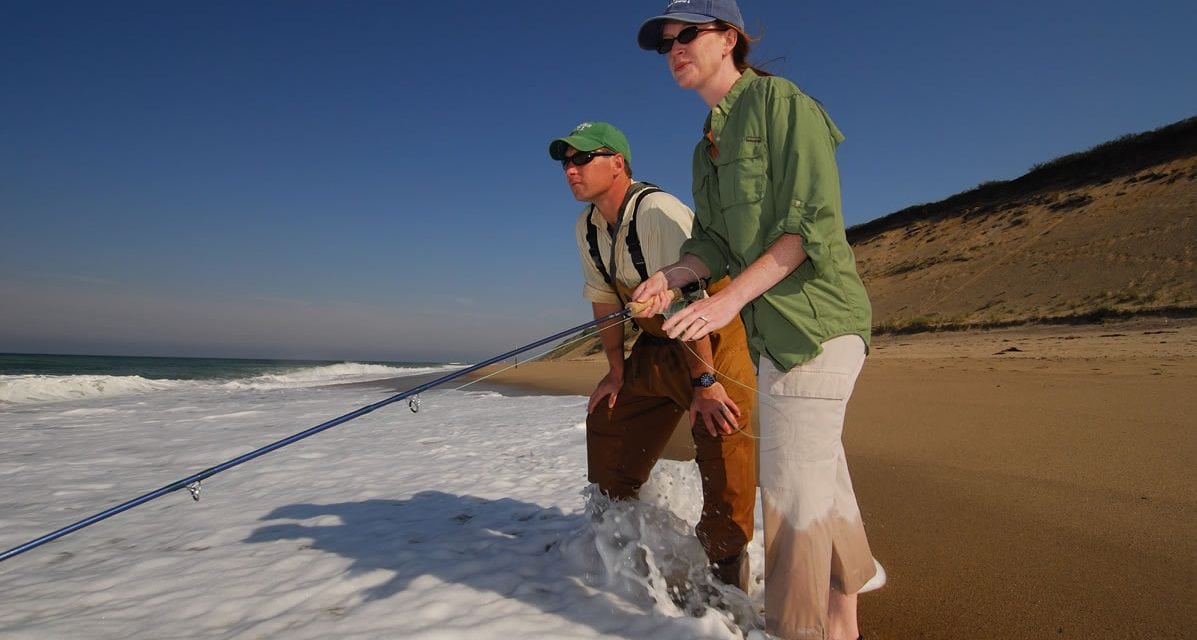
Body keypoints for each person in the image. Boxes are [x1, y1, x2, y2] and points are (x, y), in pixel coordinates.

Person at [631, 2, 883, 639]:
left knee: (789, 489)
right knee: (818, 472)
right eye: (666, 42)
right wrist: (672, 278)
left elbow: (808, 227)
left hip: (818, 326)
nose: (675, 48)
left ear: (729, 37)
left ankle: (798, 630)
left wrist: (724, 302)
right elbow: (712, 243)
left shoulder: (781, 103)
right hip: (774, 335)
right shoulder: (704, 146)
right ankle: (846, 608)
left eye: (688, 33)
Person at [548, 121, 758, 590]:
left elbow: (693, 297)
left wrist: (705, 383)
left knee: (722, 440)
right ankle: (615, 538)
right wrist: (616, 372)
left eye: (582, 158)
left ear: (617, 162)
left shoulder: (658, 210)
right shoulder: (586, 226)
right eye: (566, 162)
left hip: (711, 339)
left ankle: (726, 574)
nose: (571, 170)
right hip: (656, 341)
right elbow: (604, 300)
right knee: (608, 417)